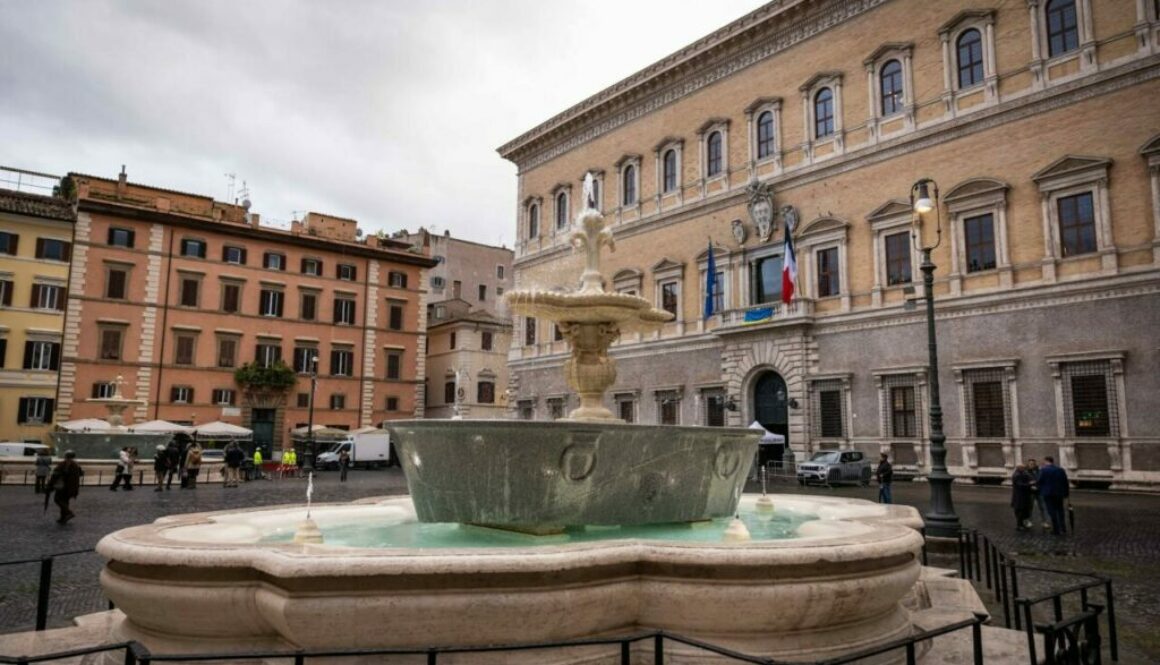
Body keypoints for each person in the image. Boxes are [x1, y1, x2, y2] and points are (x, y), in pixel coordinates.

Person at [47, 451, 84, 524]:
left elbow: (56, 474)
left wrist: (50, 484)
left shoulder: (64, 464)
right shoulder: (76, 465)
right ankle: (63, 518)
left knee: (57, 499)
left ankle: (69, 513)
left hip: (63, 486)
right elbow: (81, 473)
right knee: (65, 501)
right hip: (72, 487)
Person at [1038, 455, 1071, 535]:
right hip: (1059, 493)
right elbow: (1065, 482)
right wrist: (1066, 494)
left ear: (1046, 461)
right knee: (1060, 511)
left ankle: (1056, 529)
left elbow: (1040, 481)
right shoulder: (1060, 470)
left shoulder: (1044, 470)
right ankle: (1063, 528)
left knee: (1051, 511)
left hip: (1048, 494)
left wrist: (1038, 487)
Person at [1026, 458, 1048, 530]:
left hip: (1039, 491)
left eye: (1033, 464)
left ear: (1035, 464)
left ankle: (1044, 522)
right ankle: (1029, 521)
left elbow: (1042, 480)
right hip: (1030, 492)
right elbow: (1025, 482)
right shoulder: (1026, 472)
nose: (1032, 465)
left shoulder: (1039, 471)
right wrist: (1030, 486)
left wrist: (1037, 486)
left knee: (1042, 507)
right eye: (1030, 464)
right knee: (1029, 507)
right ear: (1028, 464)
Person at [1010, 464, 1034, 531]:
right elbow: (1020, 485)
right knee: (1020, 511)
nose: (1024, 469)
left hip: (1021, 496)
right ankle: (1019, 525)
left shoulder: (1021, 473)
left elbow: (1029, 477)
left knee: (1022, 511)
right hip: (1019, 497)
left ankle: (1021, 524)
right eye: (1023, 468)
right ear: (1020, 468)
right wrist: (1030, 484)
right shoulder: (1017, 475)